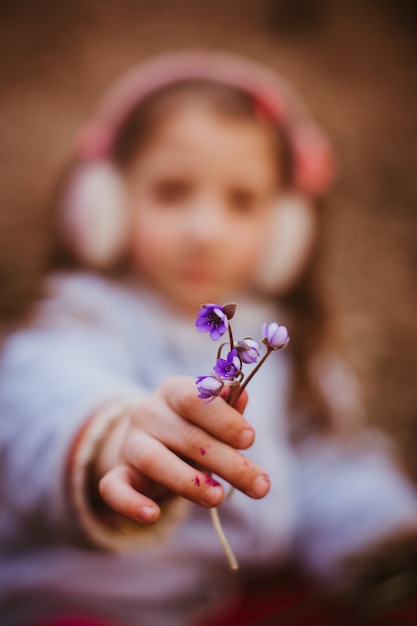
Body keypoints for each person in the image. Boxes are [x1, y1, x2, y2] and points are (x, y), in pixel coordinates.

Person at [0, 50, 416, 626]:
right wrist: (115, 437)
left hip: (221, 598)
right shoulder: (80, 320)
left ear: (285, 230)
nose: (204, 230)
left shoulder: (279, 348)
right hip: (83, 602)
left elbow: (329, 459)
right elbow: (43, 401)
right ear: (108, 205)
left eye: (241, 201)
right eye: (171, 192)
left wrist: (384, 535)